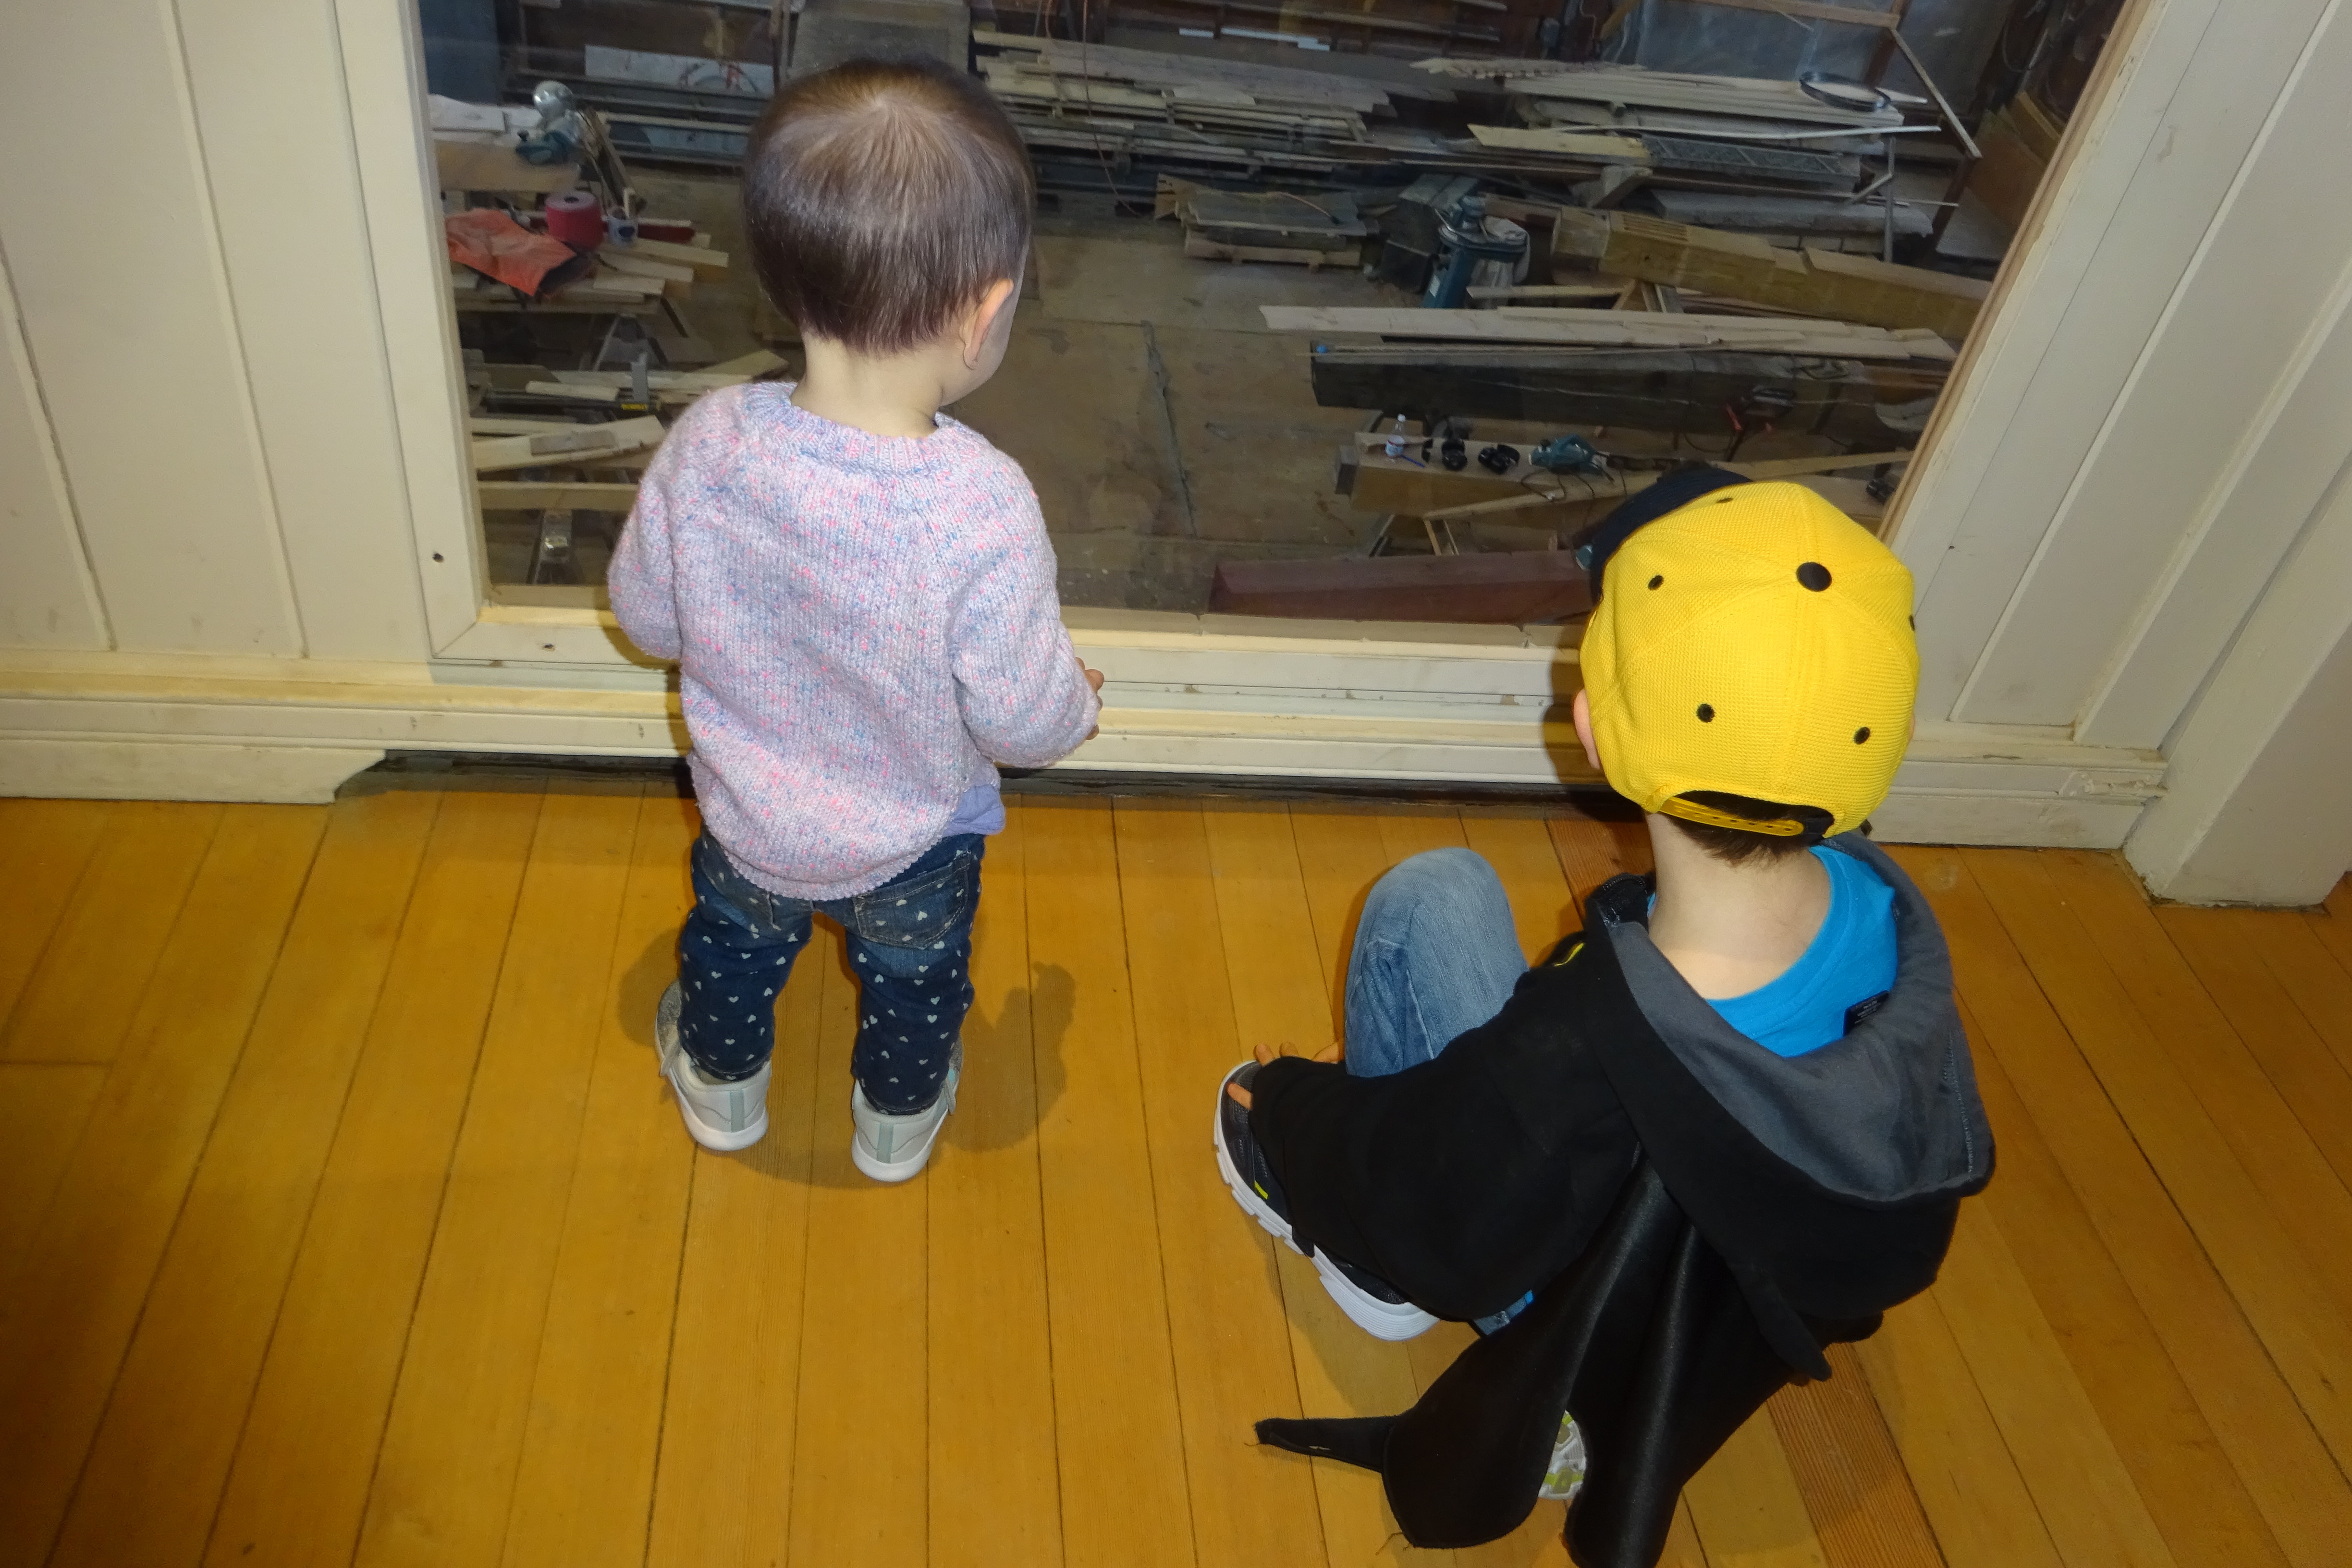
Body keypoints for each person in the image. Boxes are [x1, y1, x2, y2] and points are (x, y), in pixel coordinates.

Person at [1213, 469, 1994, 1555]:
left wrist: (1299, 1100)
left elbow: (1434, 1201)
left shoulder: (1577, 1048)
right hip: (1709, 1308)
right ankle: (1592, 1394)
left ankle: (1452, 1325)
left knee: (1433, 897)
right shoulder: (1899, 933)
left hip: (1570, 1303)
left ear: (1592, 729)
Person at [609, 59, 1100, 1180]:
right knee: (917, 982)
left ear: (787, 278)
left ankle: (723, 1088)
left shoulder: (710, 442)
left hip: (748, 821)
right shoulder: (981, 505)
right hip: (916, 843)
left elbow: (648, 619)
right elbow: (1023, 720)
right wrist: (1081, 704)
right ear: (985, 313)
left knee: (732, 950)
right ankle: (894, 1120)